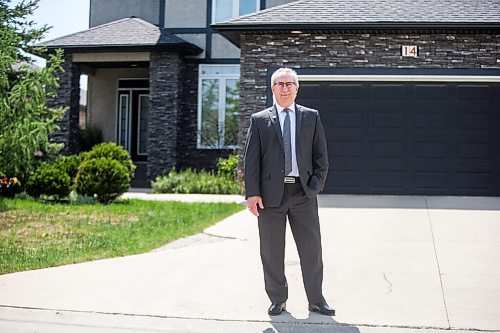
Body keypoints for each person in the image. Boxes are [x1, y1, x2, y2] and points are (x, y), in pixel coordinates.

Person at [244, 67, 335, 316]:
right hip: (270, 196)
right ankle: (277, 299)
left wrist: (315, 185)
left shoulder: (311, 117)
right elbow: (251, 161)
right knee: (272, 251)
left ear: (297, 89)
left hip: (302, 193)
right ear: (272, 89)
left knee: (311, 249)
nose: (285, 88)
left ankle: (316, 300)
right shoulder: (260, 120)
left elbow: (321, 157)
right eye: (280, 84)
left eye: (289, 84)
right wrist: (252, 193)